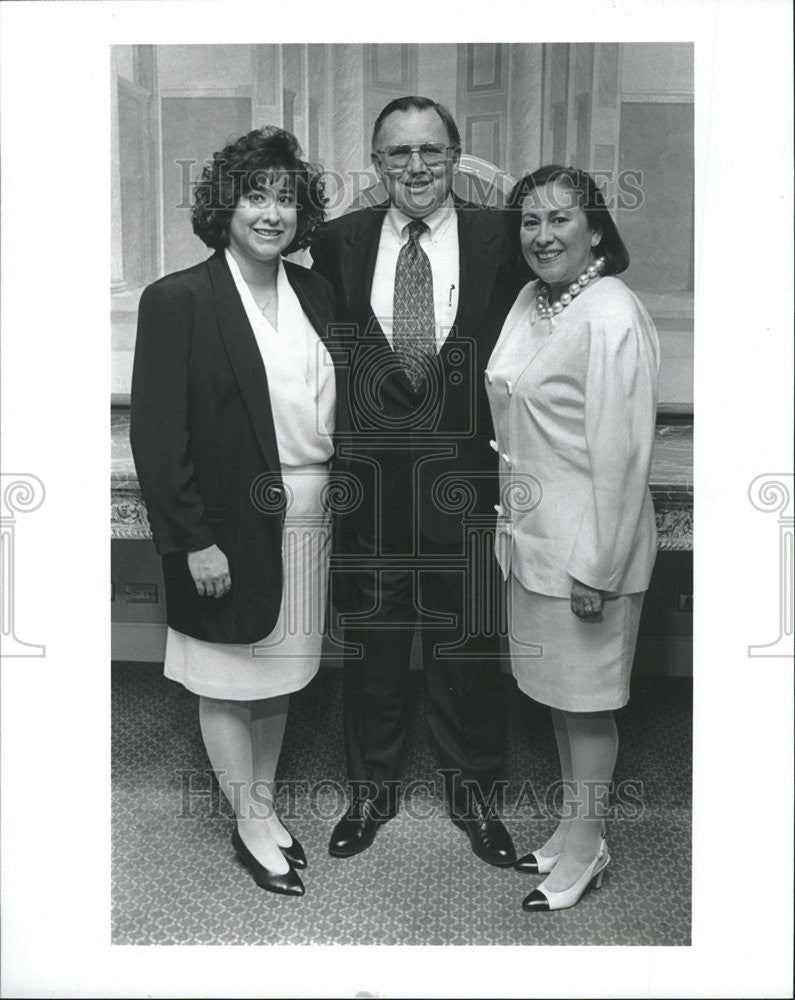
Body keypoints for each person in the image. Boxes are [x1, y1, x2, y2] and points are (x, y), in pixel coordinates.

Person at [311, 96, 523, 865]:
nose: (415, 168)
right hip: (368, 486)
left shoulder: (505, 237)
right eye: (397, 154)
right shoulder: (335, 243)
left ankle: (474, 797)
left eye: (430, 151)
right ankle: (370, 793)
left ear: (456, 156)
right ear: (376, 164)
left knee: (466, 645)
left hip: (466, 485)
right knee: (372, 645)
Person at [130, 126, 340, 897]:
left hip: (308, 515)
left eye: (286, 199)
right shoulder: (178, 299)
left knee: (278, 672)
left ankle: (264, 805)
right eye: (255, 195)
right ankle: (250, 823)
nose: (271, 213)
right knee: (226, 677)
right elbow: (157, 436)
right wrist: (194, 542)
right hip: (223, 527)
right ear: (225, 205)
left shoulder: (315, 293)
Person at [486, 164, 659, 910]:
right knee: (560, 698)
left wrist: (597, 567)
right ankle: (572, 831)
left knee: (587, 705)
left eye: (560, 219)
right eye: (529, 221)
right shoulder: (534, 299)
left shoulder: (611, 314)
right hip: (531, 541)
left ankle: (585, 852)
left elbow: (620, 457)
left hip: (588, 550)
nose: (542, 234)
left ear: (594, 229)